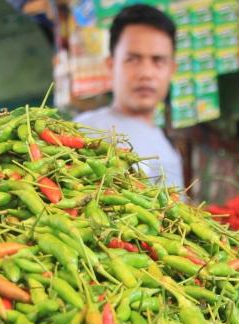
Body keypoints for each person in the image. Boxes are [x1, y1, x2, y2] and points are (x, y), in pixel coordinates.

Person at [75, 4, 184, 196]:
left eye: (158, 61)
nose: (146, 73)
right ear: (111, 65)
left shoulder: (168, 148)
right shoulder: (86, 130)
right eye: (133, 59)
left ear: (172, 70)